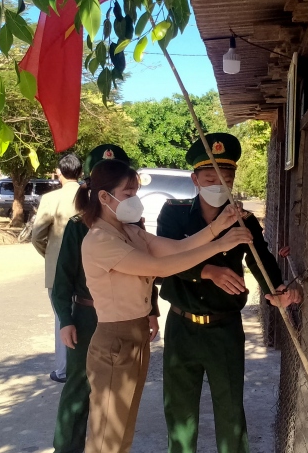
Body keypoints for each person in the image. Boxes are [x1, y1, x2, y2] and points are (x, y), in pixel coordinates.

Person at [76, 158, 253, 453]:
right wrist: (220, 245)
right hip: (114, 341)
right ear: (104, 197)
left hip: (136, 337)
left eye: (135, 192)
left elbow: (179, 248)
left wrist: (219, 226)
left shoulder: (128, 231)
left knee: (123, 430)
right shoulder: (100, 240)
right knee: (107, 436)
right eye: (128, 193)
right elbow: (162, 266)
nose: (134, 199)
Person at [157, 133, 303, 453]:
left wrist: (275, 290)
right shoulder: (174, 213)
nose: (218, 184)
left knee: (230, 411)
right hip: (182, 327)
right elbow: (161, 262)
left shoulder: (243, 220)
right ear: (195, 179)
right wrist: (207, 271)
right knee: (180, 413)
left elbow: (260, 257)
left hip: (225, 328)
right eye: (210, 178)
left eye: (226, 177)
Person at [49, 144, 142, 453]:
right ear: (98, 188)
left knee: (114, 397)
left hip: (122, 318)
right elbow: (62, 280)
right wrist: (66, 320)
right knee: (79, 388)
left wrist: (152, 310)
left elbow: (145, 272)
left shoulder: (132, 227)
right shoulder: (79, 228)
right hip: (88, 319)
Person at [32, 153, 83, 384]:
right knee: (87, 315)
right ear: (80, 173)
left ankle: (63, 370)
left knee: (63, 318)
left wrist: (51, 255)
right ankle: (84, 365)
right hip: (88, 267)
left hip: (58, 270)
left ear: (59, 173)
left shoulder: (51, 198)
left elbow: (37, 236)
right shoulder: (90, 196)